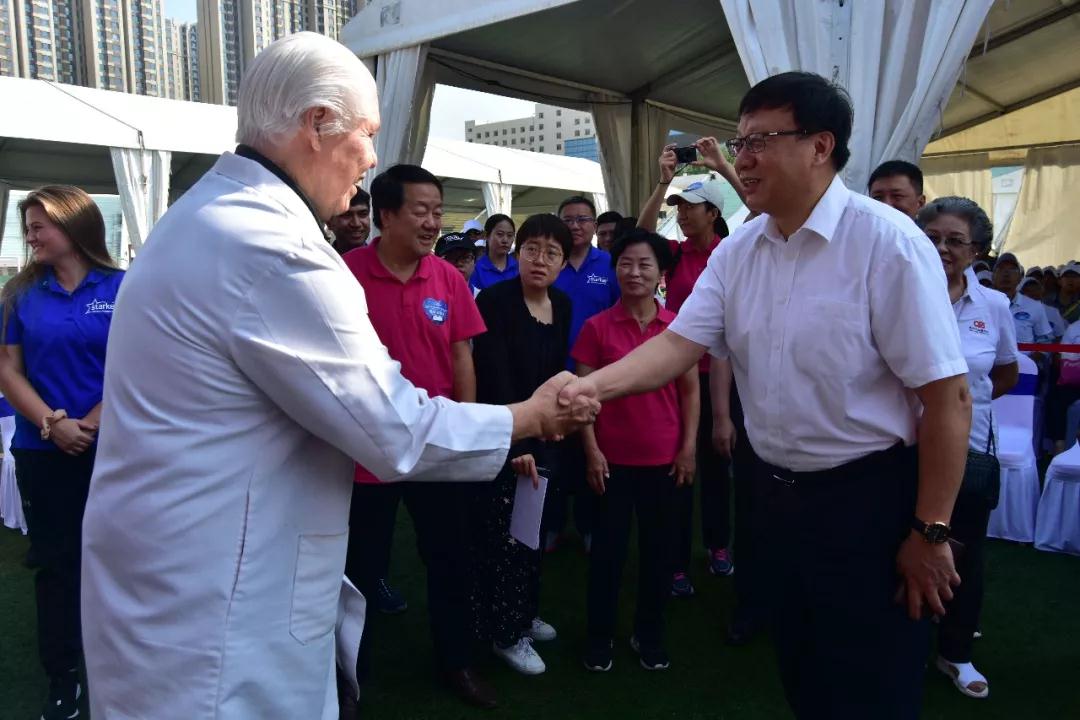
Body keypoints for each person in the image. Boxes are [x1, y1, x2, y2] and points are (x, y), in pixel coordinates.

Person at [78, 33, 597, 720]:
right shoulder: (274, 248)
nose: (373, 158)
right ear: (317, 124)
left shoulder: (201, 217)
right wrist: (529, 416)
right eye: (367, 134)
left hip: (178, 580)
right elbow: (393, 428)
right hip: (220, 617)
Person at [558, 71, 972, 719]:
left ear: (820, 146)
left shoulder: (887, 243)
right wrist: (585, 389)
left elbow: (949, 398)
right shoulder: (742, 249)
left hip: (867, 499)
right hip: (771, 492)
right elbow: (678, 345)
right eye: (739, 142)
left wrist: (931, 531)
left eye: (760, 141)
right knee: (801, 665)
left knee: (873, 679)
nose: (743, 159)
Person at [344, 164, 502, 709]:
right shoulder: (345, 274)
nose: (433, 222)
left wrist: (467, 429)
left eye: (438, 211)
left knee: (450, 558)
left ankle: (456, 662)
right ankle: (348, 676)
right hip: (366, 446)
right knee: (360, 567)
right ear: (386, 216)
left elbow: (461, 356)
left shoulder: (448, 279)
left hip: (436, 445)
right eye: (421, 210)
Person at [0, 185, 124, 720]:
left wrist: (92, 422)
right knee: (56, 565)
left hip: (116, 449)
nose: (30, 237)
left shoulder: (124, 286)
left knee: (121, 560)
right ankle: (63, 675)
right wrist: (54, 425)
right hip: (43, 451)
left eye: (38, 226)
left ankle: (124, 661)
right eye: (27, 227)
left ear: (73, 225)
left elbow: (140, 362)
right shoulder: (19, 294)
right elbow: (7, 370)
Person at [575, 228, 699, 673]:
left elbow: (690, 392)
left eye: (645, 264)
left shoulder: (677, 329)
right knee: (607, 554)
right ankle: (599, 636)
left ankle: (649, 634)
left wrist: (688, 448)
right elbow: (581, 398)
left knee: (658, 555)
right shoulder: (597, 327)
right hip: (611, 462)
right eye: (625, 263)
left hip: (664, 461)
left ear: (661, 273)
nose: (634, 272)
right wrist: (591, 451)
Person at [916, 196, 1019, 700]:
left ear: (976, 251)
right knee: (902, 546)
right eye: (932, 237)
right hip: (901, 448)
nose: (941, 248)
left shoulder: (994, 307)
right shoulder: (901, 293)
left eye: (955, 241)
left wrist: (958, 412)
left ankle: (954, 651)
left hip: (969, 452)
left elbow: (1004, 373)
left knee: (964, 554)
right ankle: (904, 643)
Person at [470, 213, 573, 676]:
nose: (540, 260)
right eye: (531, 249)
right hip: (508, 438)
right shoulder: (495, 301)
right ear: (518, 252)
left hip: (545, 436)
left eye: (552, 252)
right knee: (505, 539)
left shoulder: (562, 304)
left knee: (534, 533)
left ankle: (524, 613)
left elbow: (552, 372)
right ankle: (504, 633)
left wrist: (555, 423)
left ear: (563, 262)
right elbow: (494, 377)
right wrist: (518, 443)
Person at [639, 153, 739, 598]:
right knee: (677, 470)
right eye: (678, 208)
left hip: (722, 377)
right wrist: (663, 182)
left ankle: (718, 544)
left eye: (689, 208)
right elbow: (641, 234)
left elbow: (762, 215)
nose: (681, 215)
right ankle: (676, 563)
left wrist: (723, 165)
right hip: (679, 377)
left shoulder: (729, 253)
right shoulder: (676, 255)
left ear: (713, 213)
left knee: (717, 466)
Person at [546, 195, 621, 553]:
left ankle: (590, 525)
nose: (575, 226)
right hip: (552, 378)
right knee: (554, 459)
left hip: (599, 380)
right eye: (568, 219)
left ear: (594, 224)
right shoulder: (548, 261)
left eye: (582, 219)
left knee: (595, 456)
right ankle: (553, 525)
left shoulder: (609, 264)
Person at [993, 252, 1054, 348]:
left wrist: (1036, 356)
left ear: (1020, 278)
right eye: (1001, 269)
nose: (1006, 274)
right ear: (993, 277)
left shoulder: (1035, 307)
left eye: (1012, 269)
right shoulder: (981, 305)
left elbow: (1045, 341)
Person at [470, 214, 518, 292]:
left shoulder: (520, 268)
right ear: (486, 235)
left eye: (510, 235)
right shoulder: (475, 270)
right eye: (500, 234)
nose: (505, 240)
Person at [329, 185, 371, 253]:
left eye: (363, 214)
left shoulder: (384, 258)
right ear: (329, 223)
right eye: (347, 215)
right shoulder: (317, 258)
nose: (356, 224)